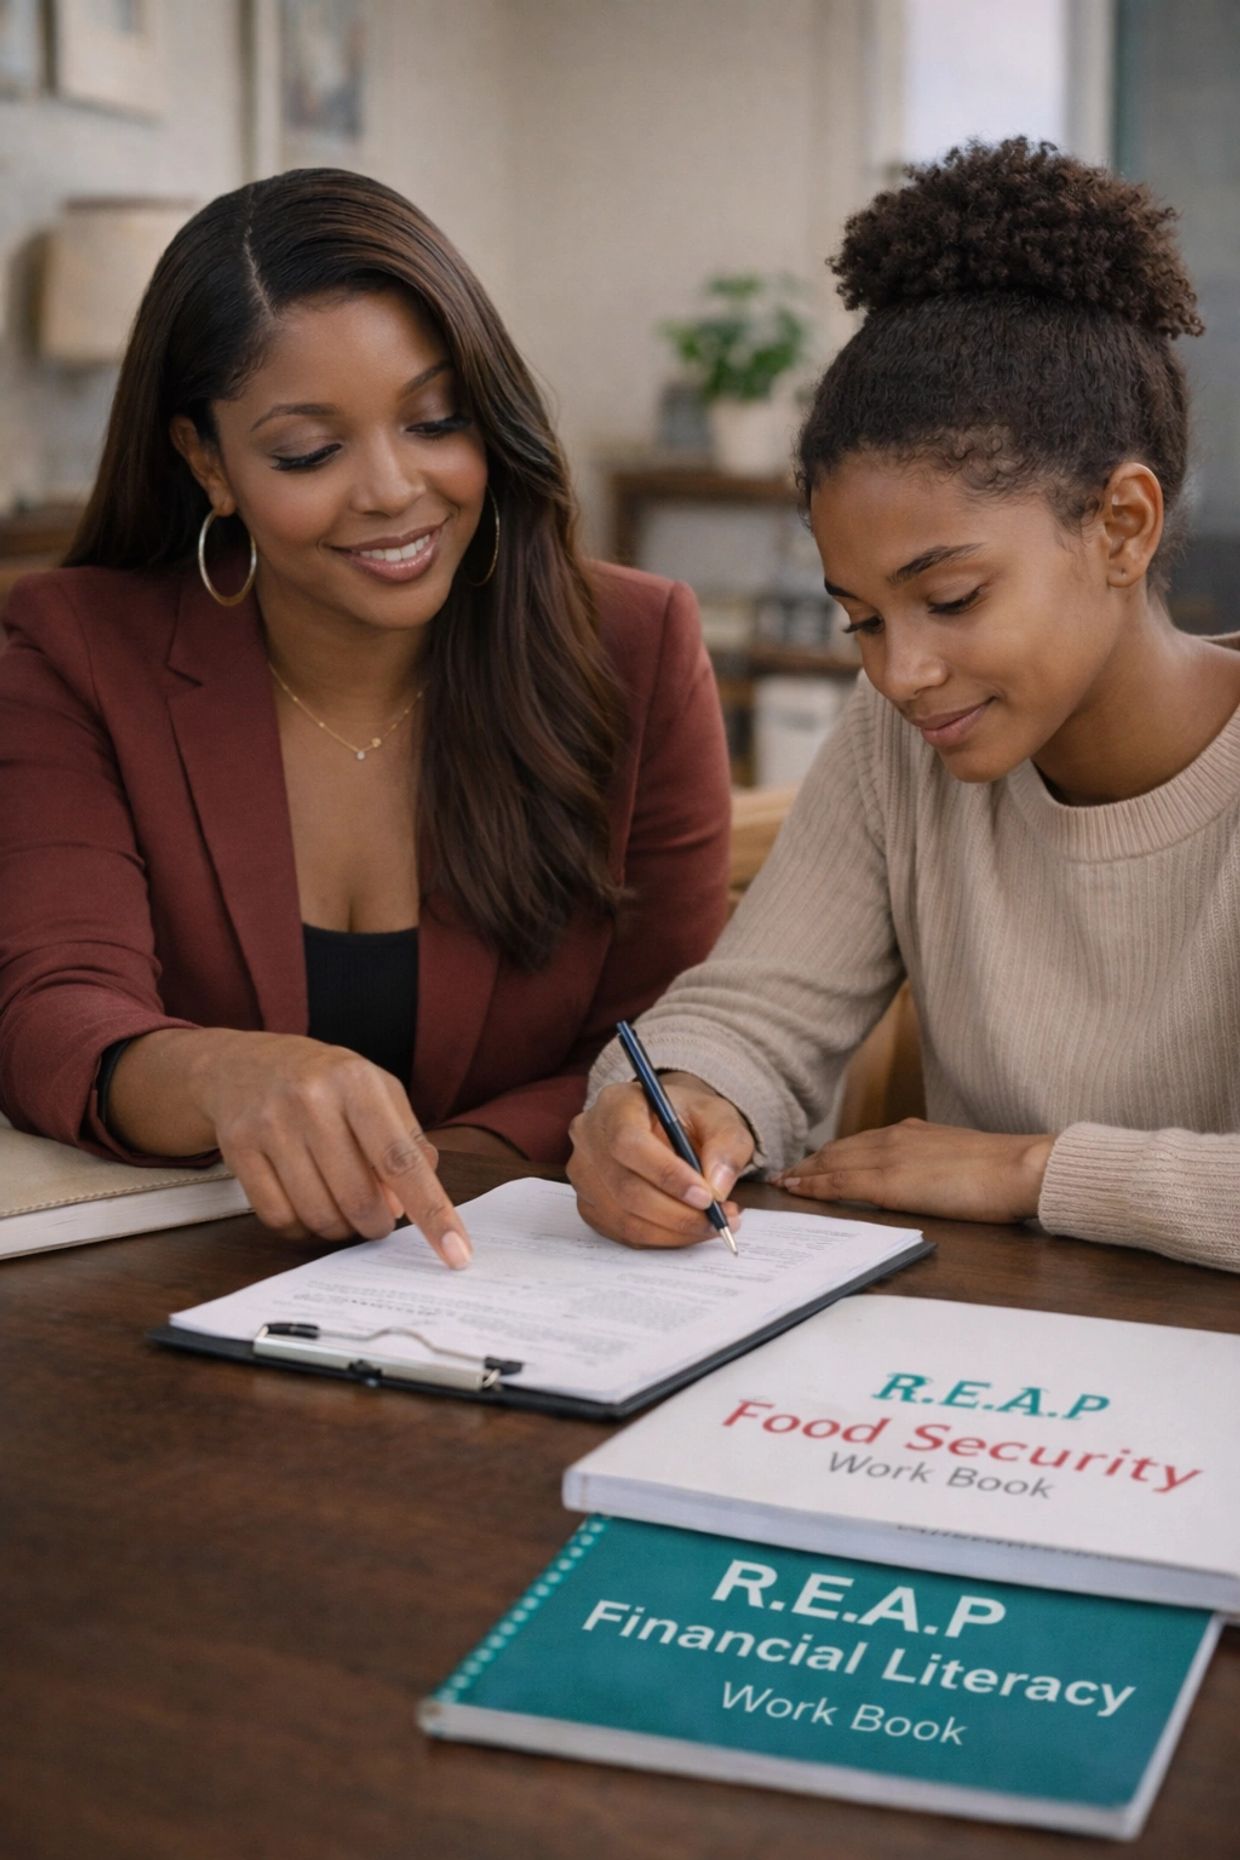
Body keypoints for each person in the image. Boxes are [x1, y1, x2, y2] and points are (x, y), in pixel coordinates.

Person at [0, 168, 731, 1268]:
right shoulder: (75, 650)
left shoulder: (634, 646)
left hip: (531, 1272)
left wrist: (454, 1166)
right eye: (309, 451)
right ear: (209, 462)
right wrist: (220, 1074)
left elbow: (659, 1035)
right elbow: (53, 1011)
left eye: (436, 420)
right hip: (181, 1297)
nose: (392, 489)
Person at [568, 138, 1240, 1274]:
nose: (900, 671)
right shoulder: (901, 745)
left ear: (1122, 526)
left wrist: (1034, 1169)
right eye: (862, 619)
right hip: (983, 1379)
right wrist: (679, 1105)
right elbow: (752, 1014)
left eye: (950, 597)